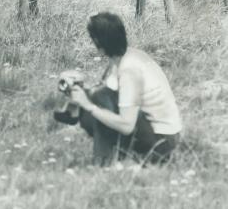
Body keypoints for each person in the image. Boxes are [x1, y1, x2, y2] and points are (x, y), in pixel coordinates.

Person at [57, 12, 182, 165]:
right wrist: (80, 89)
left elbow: (127, 125)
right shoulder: (129, 56)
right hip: (159, 132)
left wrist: (88, 105)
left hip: (161, 142)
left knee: (97, 103)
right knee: (97, 98)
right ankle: (117, 156)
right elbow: (111, 93)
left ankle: (105, 163)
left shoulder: (129, 71)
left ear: (99, 45)